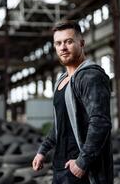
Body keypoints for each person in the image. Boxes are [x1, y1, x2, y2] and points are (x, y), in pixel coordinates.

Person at [32, 20, 113, 184]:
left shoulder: (91, 77)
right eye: (58, 43)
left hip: (82, 170)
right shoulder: (61, 80)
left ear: (81, 43)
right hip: (60, 166)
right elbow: (59, 123)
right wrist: (43, 150)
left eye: (69, 41)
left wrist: (82, 162)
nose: (63, 47)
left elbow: (100, 122)